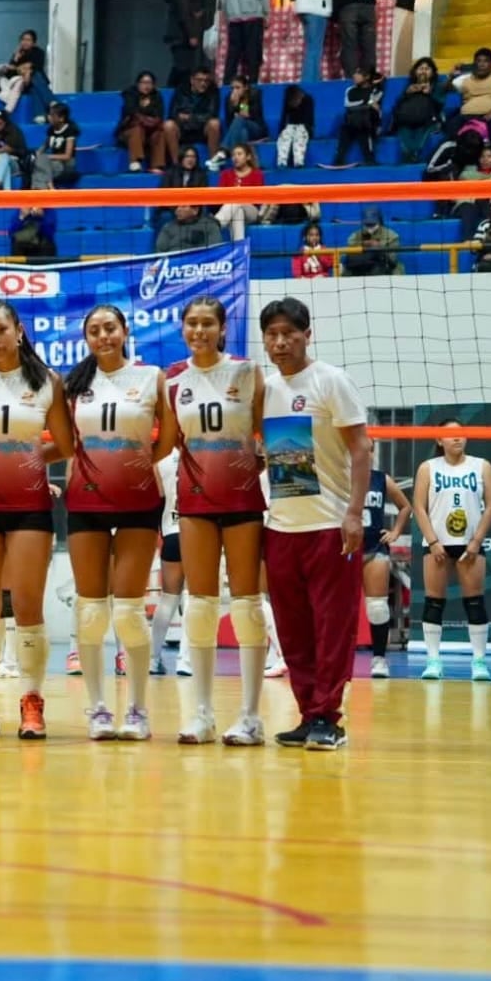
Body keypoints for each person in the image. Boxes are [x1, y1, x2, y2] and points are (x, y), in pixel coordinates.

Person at [0, 301, 74, 740]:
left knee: (26, 606)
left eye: (1, 330)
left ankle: (31, 701)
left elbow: (64, 444)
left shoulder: (46, 382)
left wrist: (27, 459)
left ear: (19, 330)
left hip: (28, 507)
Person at [259, 296, 372, 750]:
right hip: (281, 526)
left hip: (329, 525)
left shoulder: (331, 381)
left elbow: (362, 450)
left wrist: (353, 512)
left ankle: (329, 716)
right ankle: (309, 714)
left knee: (332, 627)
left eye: (290, 333)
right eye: (273, 334)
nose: (281, 342)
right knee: (293, 629)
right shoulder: (264, 389)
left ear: (308, 334)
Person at [65, 306, 178, 741]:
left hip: (137, 502)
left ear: (125, 331)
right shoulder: (74, 385)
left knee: (129, 613)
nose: (102, 336)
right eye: (93, 331)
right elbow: (65, 438)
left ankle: (137, 709)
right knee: (91, 611)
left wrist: (147, 463)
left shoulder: (151, 377)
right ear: (87, 338)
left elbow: (167, 433)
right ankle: (96, 709)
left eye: (109, 328)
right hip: (87, 503)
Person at [166, 295, 267, 746]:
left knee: (246, 604)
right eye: (192, 323)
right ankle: (202, 713)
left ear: (223, 329)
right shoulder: (173, 380)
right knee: (201, 604)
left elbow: (267, 436)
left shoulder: (247, 373)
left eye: (208, 323)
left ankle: (250, 716)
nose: (199, 330)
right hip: (194, 501)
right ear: (183, 328)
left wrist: (252, 465)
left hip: (243, 500)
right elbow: (168, 441)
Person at [412, 419, 491, 682]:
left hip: (469, 542)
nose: (457, 439)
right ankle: (433, 661)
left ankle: (479, 662)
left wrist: (476, 541)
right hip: (437, 542)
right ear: (439, 440)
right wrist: (433, 540)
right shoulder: (428, 468)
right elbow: (418, 506)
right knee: (434, 602)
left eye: (460, 434)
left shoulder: (481, 465)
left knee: (475, 602)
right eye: (450, 435)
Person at [360, 443, 411, 678]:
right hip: (343, 550)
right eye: (362, 448)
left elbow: (405, 507)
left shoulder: (381, 478)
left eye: (370, 449)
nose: (366, 453)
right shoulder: (338, 477)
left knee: (378, 607)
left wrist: (395, 532)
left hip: (374, 547)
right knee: (336, 609)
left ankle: (379, 659)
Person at [149, 450, 189, 676]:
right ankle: (186, 661)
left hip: (171, 531)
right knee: (195, 598)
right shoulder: (200, 448)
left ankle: (152, 659)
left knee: (168, 598)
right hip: (197, 529)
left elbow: (157, 498)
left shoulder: (160, 456)